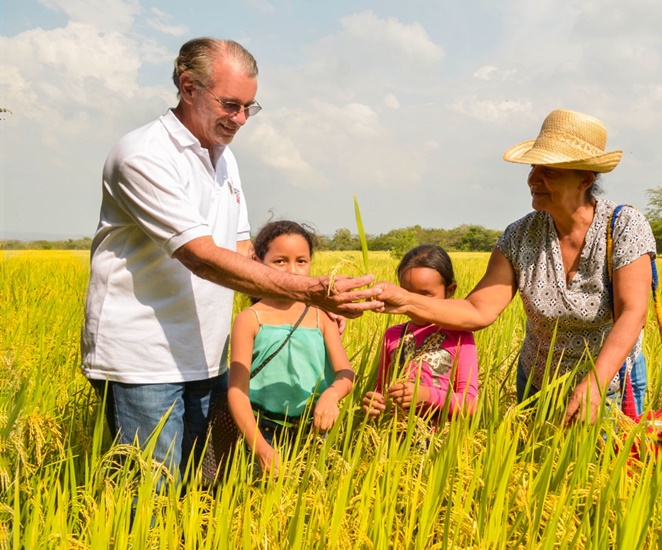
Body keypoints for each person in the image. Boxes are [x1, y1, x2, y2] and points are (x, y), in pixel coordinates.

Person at [81, 37, 381, 478]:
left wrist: (309, 304)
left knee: (204, 480)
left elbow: (242, 251)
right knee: (151, 491)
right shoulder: (144, 155)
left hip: (205, 353)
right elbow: (202, 257)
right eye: (230, 104)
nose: (240, 119)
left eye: (249, 107)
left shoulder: (225, 158)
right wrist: (315, 290)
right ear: (188, 87)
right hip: (143, 358)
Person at [377, 109, 655, 424]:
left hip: (609, 382)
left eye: (549, 171)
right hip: (537, 379)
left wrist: (595, 381)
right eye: (533, 167)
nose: (533, 179)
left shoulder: (624, 226)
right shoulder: (519, 235)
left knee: (604, 468)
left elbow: (634, 312)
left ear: (585, 179)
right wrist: (406, 300)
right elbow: (477, 310)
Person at [227, 221, 354, 475]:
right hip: (262, 431)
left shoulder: (322, 316)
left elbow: (346, 373)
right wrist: (260, 448)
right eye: (280, 261)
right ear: (258, 262)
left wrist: (330, 396)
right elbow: (237, 391)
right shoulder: (250, 319)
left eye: (301, 261)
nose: (292, 271)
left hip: (315, 430)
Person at [362, 245, 478, 422]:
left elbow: (470, 404)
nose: (414, 302)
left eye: (425, 295)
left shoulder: (461, 336)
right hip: (395, 439)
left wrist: (427, 395)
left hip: (442, 442)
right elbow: (382, 388)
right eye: (406, 294)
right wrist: (374, 402)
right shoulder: (392, 335)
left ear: (450, 291)